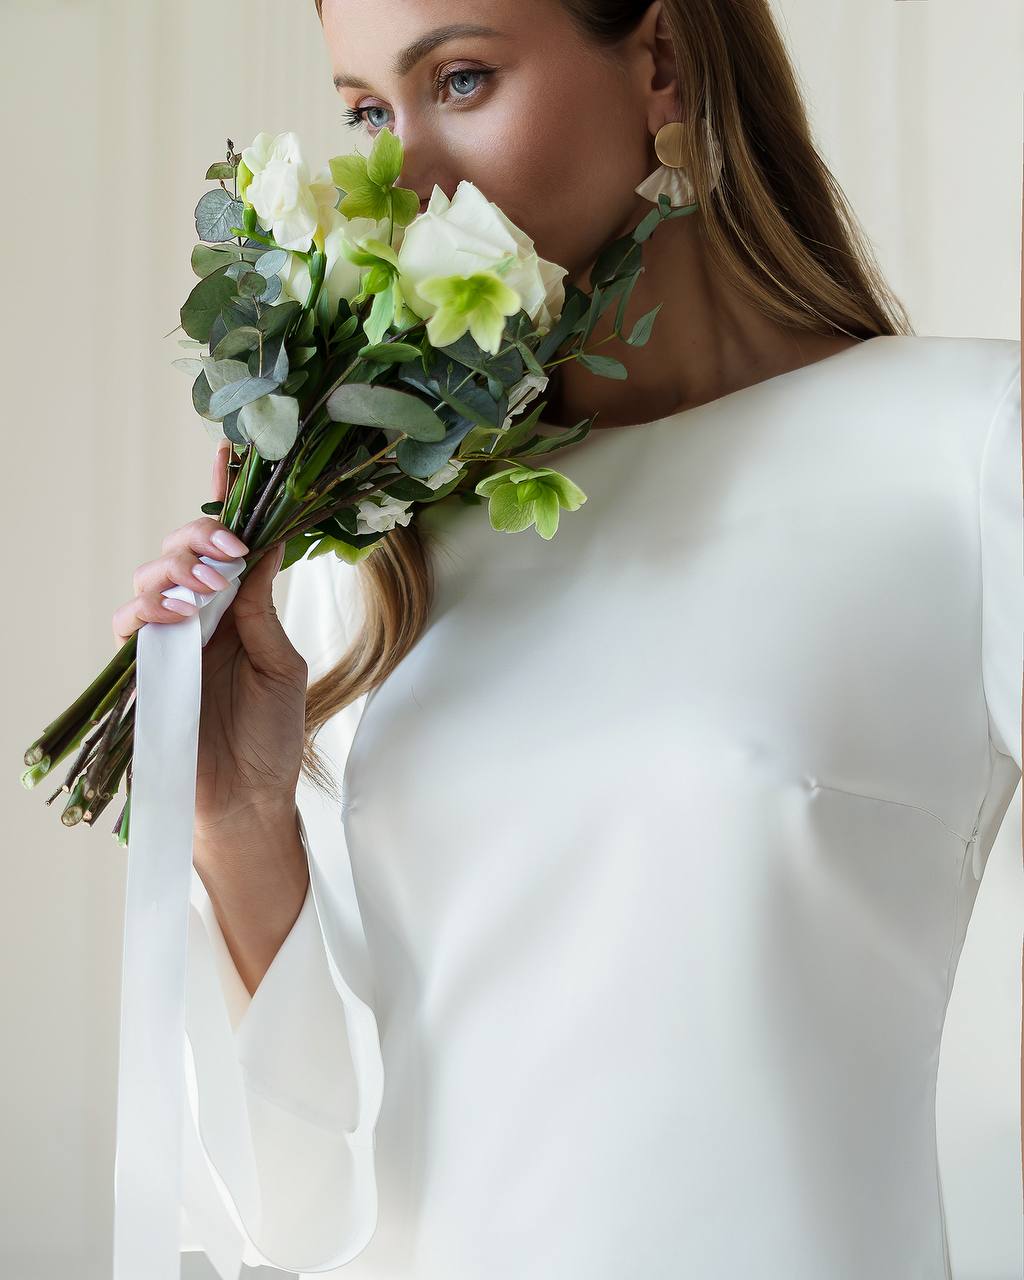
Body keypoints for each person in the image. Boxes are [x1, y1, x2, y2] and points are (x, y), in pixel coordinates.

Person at [110, 2, 1023, 1277]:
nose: (405, 179)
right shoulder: (367, 559)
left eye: (464, 79)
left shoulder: (968, 447)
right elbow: (296, 1211)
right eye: (368, 111)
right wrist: (236, 816)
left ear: (660, 60)